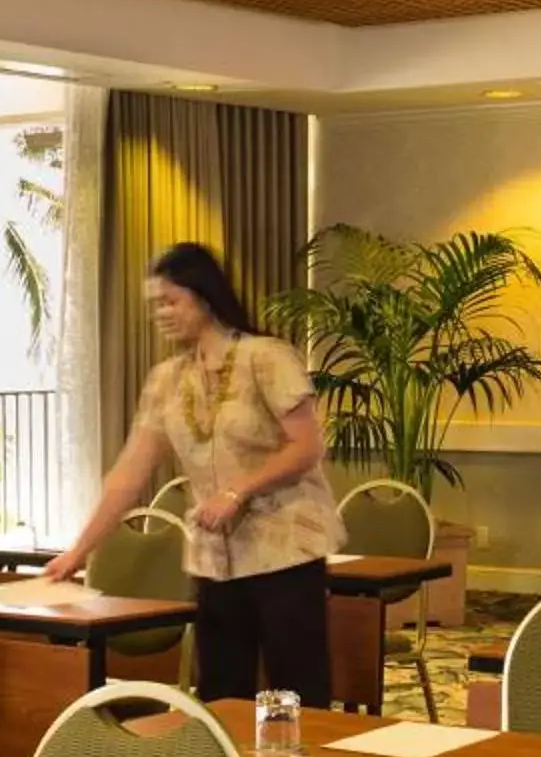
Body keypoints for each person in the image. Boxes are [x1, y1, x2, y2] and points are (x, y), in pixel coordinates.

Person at [44, 243, 339, 705]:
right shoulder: (166, 379)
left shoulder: (266, 357)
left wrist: (237, 491)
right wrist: (79, 550)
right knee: (221, 695)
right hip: (213, 560)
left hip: (285, 551)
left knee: (297, 693)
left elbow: (307, 447)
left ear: (203, 297)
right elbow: (128, 474)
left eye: (170, 301)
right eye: (155, 305)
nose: (160, 313)